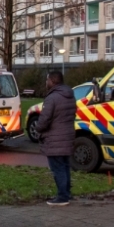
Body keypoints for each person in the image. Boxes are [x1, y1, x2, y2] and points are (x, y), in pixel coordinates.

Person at [35, 70, 77, 206]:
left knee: (58, 168)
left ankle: (62, 196)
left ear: (52, 81)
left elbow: (44, 120)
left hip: (55, 139)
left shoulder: (52, 98)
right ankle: (67, 193)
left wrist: (38, 128)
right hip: (67, 136)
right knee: (64, 166)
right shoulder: (70, 95)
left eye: (47, 80)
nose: (46, 82)